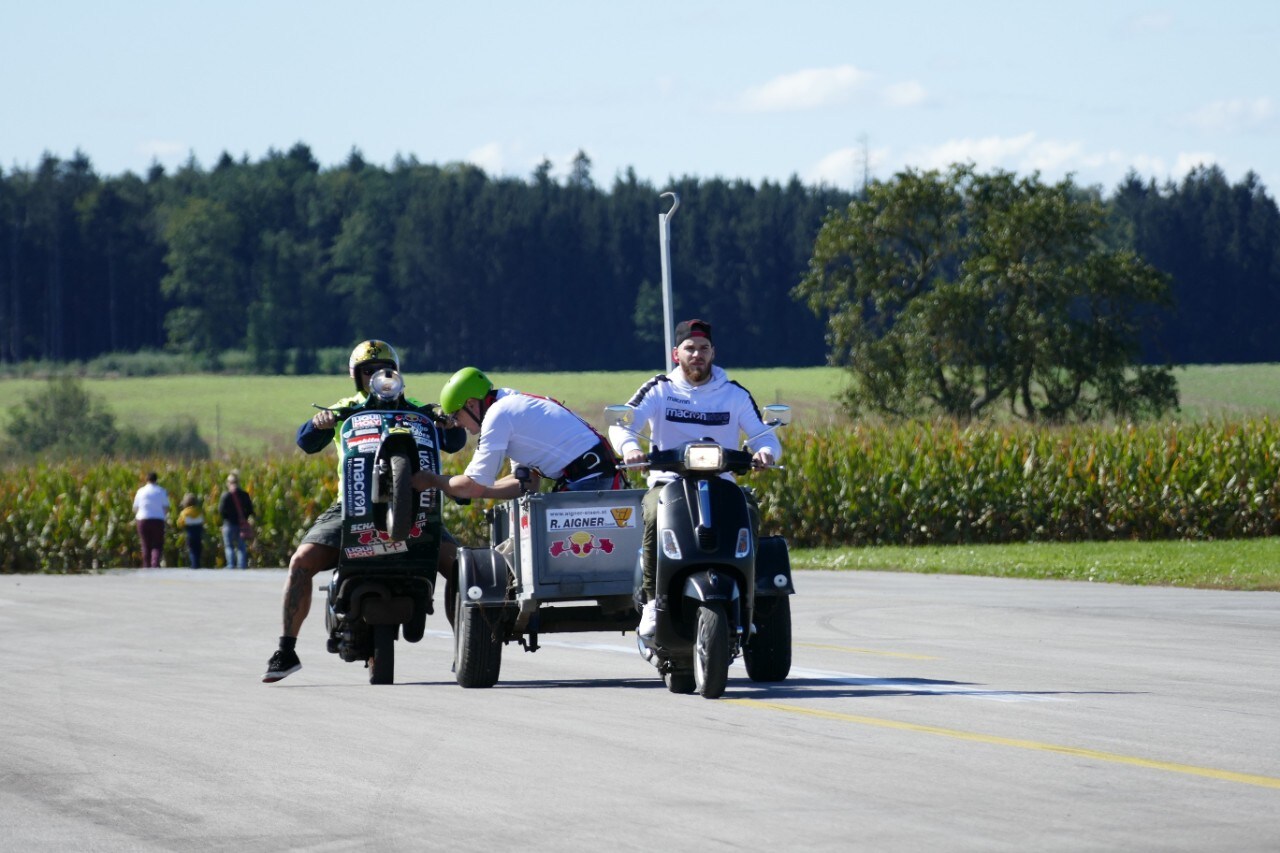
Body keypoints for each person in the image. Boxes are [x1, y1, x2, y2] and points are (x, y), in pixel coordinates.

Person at [263, 340, 467, 684]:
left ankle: (466, 649)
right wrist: (321, 422)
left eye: (384, 370)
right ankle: (286, 650)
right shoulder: (346, 408)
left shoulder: (417, 408)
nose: (377, 377)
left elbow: (454, 442)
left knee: (463, 568)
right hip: (351, 503)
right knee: (301, 561)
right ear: (357, 378)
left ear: (397, 373)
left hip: (416, 507)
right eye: (368, 372)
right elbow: (305, 441)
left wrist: (449, 424)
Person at [607, 319, 782, 638]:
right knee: (654, 516)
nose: (697, 355)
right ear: (677, 354)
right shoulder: (659, 389)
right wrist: (631, 447)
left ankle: (747, 602)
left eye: (703, 348)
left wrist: (766, 452)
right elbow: (622, 423)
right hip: (667, 482)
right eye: (690, 348)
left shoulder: (734, 394)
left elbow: (763, 435)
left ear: (713, 352)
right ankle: (651, 603)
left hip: (723, 483)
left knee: (749, 510)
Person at [412, 366, 625, 501]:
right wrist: (478, 489)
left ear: (471, 404)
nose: (457, 424)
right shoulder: (510, 404)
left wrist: (430, 480)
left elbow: (471, 487)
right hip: (599, 474)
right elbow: (526, 483)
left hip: (591, 480)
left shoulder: (498, 415)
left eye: (456, 416)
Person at [132, 471, 169, 568]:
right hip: (157, 520)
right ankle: (155, 565)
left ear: (146, 480)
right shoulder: (161, 491)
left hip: (142, 520)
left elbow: (135, 508)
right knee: (157, 545)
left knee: (145, 545)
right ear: (156, 480)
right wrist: (162, 516)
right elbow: (166, 507)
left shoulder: (140, 491)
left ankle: (146, 566)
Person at [219, 473, 255, 569]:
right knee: (241, 546)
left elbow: (221, 510)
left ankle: (231, 565)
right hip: (241, 524)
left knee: (229, 546)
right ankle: (241, 566)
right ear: (238, 482)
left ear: (228, 483)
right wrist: (244, 517)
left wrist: (226, 519)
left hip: (229, 524)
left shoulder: (226, 495)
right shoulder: (244, 495)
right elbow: (250, 509)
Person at [177, 492, 205, 569]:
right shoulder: (199, 511)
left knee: (192, 550)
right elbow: (203, 521)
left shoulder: (184, 512)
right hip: (198, 532)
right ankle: (198, 563)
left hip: (190, 532)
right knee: (198, 549)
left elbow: (180, 523)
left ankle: (194, 565)